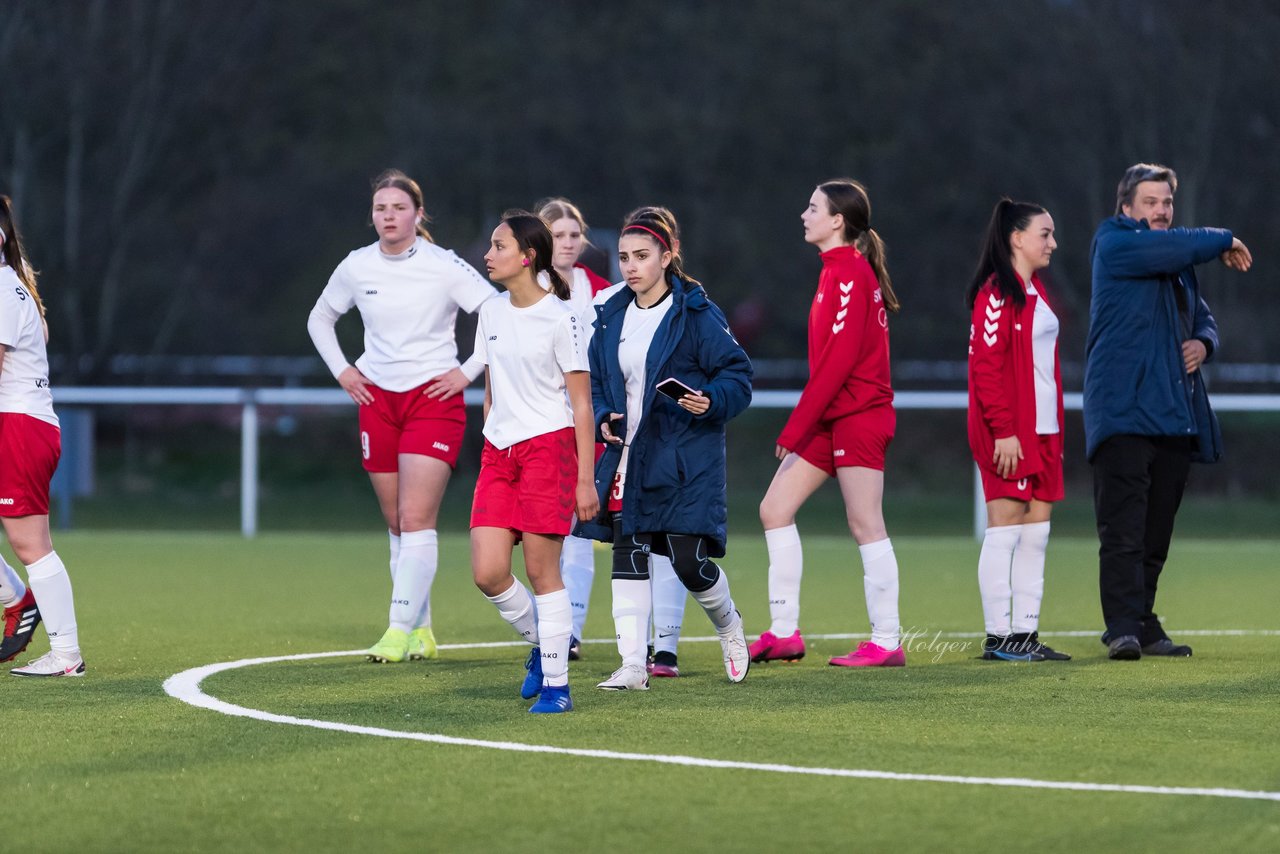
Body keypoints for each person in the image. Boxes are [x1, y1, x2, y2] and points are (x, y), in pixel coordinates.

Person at [307, 169, 496, 664]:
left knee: (415, 518)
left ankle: (395, 629)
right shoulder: (356, 266)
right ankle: (422, 631)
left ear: (418, 214)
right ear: (372, 217)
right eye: (380, 208)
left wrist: (468, 371)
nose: (389, 216)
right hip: (377, 400)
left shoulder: (443, 265)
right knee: (396, 522)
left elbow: (496, 312)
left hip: (433, 399)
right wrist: (344, 372)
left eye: (398, 207)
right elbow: (320, 319)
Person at [575, 209, 753, 691]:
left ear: (667, 256)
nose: (630, 267)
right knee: (627, 551)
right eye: (624, 257)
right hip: (628, 454)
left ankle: (729, 627)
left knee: (687, 561)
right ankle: (633, 665)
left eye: (642, 257)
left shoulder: (696, 313)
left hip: (684, 457)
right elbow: (597, 383)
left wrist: (709, 400)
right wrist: (607, 413)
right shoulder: (610, 315)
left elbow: (738, 377)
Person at [1084, 163, 1252, 660]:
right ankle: (1121, 628)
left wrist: (1205, 342)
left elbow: (1203, 318)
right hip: (1124, 410)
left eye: (1167, 203)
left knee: (1156, 531)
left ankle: (1143, 620)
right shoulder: (1115, 243)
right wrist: (1223, 237)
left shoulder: (1175, 260)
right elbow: (1175, 247)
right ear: (1127, 208)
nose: (1161, 211)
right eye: (1152, 202)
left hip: (1173, 411)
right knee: (1123, 528)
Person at [749, 179, 905, 668]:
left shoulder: (851, 274)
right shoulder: (834, 271)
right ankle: (783, 633)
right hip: (835, 414)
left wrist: (795, 428)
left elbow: (836, 366)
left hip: (858, 415)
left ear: (838, 221)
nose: (804, 214)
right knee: (774, 509)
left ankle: (886, 641)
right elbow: (831, 365)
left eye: (813, 207)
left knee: (865, 523)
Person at [469, 210, 598, 713]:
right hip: (498, 452)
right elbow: (491, 388)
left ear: (528, 256)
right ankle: (548, 642)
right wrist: (491, 432)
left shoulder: (561, 316)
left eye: (498, 246)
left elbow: (581, 404)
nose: (488, 254)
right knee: (487, 572)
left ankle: (557, 687)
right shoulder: (490, 312)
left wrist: (585, 480)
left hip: (549, 448)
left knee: (543, 571)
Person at [966, 199, 1071, 662]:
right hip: (1009, 432)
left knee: (1036, 535)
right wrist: (1004, 430)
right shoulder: (995, 293)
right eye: (1045, 234)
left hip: (1045, 433)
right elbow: (986, 370)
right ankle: (998, 637)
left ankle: (1025, 636)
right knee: (1005, 529)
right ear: (1017, 238)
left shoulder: (1039, 291)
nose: (1052, 242)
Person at [0, 195, 84, 677]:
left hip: (19, 425)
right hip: (20, 422)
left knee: (31, 544)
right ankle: (17, 601)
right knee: (29, 543)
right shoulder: (14, 287)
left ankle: (67, 656)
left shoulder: (4, 288)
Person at [535, 197, 610, 660]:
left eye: (572, 234)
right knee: (543, 532)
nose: (566, 243)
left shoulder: (602, 290)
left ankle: (571, 631)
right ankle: (546, 624)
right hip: (540, 425)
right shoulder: (525, 289)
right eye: (557, 235)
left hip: (585, 424)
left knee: (581, 532)